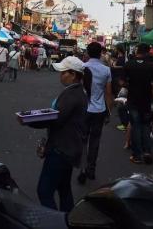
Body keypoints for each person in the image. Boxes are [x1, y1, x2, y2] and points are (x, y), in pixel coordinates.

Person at [29, 56, 90, 211]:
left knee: (44, 191)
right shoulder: (75, 92)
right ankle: (67, 221)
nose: (60, 75)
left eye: (64, 72)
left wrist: (30, 120)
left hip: (62, 149)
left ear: (73, 74)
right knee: (63, 189)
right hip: (69, 147)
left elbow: (55, 119)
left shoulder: (72, 94)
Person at [77, 42, 113, 184]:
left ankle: (82, 169)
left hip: (84, 109)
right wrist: (109, 112)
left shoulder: (82, 68)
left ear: (87, 53)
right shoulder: (106, 70)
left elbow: (78, 89)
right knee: (95, 140)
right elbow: (108, 93)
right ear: (100, 54)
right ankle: (91, 169)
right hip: (99, 110)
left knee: (83, 139)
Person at [124, 43, 153, 164]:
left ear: (137, 51)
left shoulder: (129, 64)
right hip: (146, 101)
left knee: (136, 126)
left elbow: (121, 82)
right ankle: (147, 152)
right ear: (148, 52)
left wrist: (131, 86)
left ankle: (137, 156)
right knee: (145, 126)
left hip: (133, 100)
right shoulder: (152, 66)